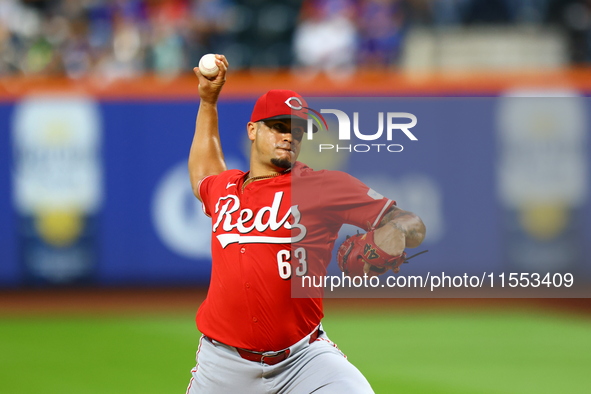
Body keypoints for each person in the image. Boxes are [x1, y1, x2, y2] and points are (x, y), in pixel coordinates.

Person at [186, 54, 426, 394]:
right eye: (279, 127)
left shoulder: (321, 186)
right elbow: (203, 175)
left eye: (297, 130)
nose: (289, 137)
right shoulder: (225, 189)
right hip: (223, 365)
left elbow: (411, 223)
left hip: (303, 359)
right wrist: (208, 102)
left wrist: (395, 232)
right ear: (253, 131)